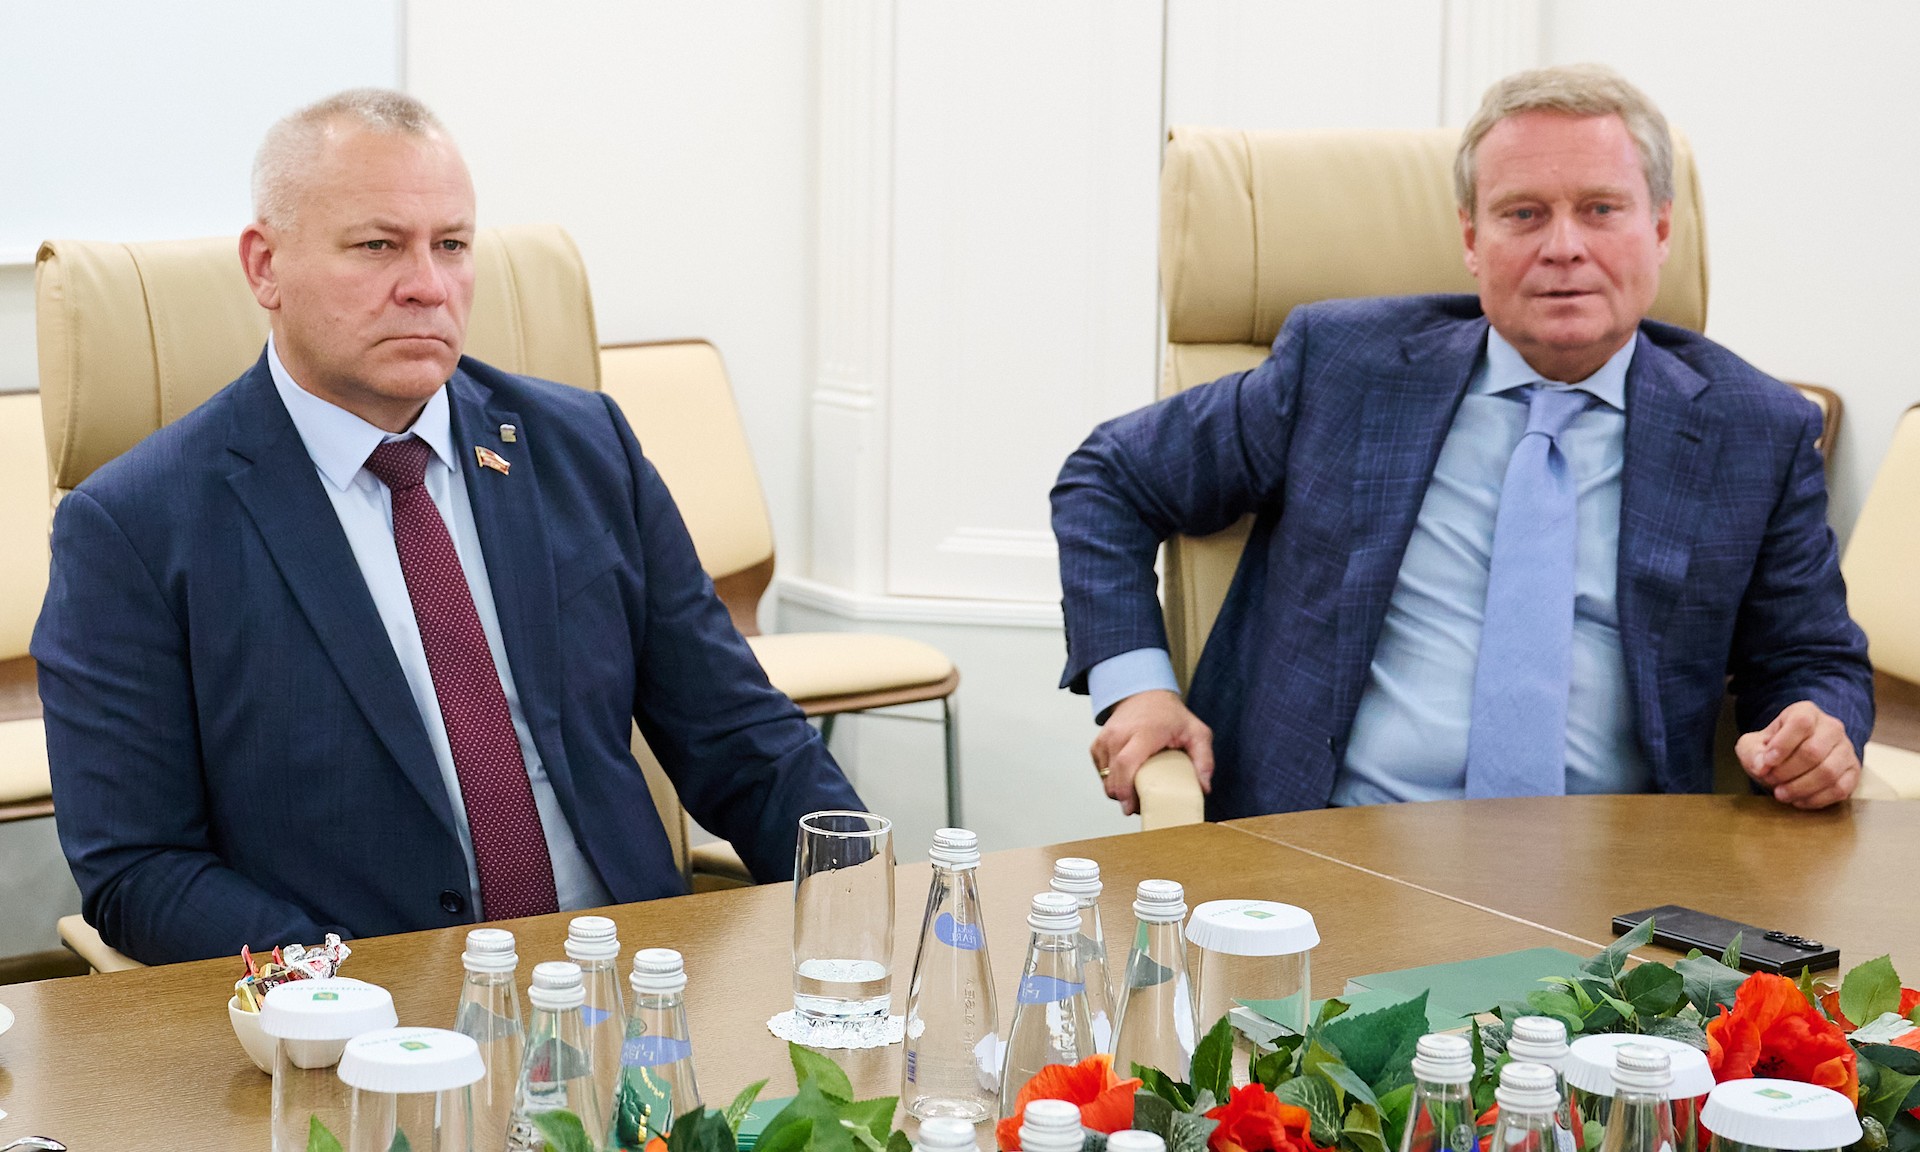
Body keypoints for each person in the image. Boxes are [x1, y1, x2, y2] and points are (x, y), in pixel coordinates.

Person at [33, 89, 864, 964]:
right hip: (366, 1011)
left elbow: (743, 742)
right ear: (265, 266)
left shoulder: (586, 450)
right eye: (378, 245)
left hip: (627, 988)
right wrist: (346, 995)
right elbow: (139, 869)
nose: (427, 286)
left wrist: (866, 906)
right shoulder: (135, 528)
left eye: (453, 245)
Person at [1052, 65, 1872, 820]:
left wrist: (1817, 729)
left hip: (1616, 883)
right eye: (1523, 213)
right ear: (1472, 239)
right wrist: (1139, 689)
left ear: (1660, 228)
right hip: (1328, 851)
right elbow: (1111, 477)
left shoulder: (1755, 429)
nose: (1563, 246)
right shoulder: (1344, 368)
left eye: (1600, 209)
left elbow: (1812, 658)